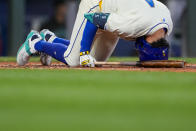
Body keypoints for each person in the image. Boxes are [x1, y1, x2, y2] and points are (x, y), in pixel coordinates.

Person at [17, 0, 173, 67]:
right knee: (75, 60)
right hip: (95, 7)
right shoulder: (131, 26)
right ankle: (35, 42)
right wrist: (84, 53)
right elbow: (94, 19)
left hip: (116, 13)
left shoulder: (166, 25)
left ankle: (51, 39)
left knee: (95, 61)